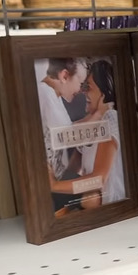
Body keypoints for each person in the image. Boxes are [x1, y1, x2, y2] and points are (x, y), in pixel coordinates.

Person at [48, 59, 125, 207]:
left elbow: (99, 179)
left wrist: (54, 186)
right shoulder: (94, 123)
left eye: (88, 87)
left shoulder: (111, 118)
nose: (84, 91)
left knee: (90, 197)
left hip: (111, 204)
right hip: (93, 203)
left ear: (105, 93)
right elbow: (73, 168)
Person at [36, 58, 88, 215]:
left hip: (57, 175)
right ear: (64, 76)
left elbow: (69, 129)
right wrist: (99, 116)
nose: (81, 89)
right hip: (49, 180)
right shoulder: (44, 94)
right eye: (80, 82)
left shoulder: (53, 95)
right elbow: (68, 134)